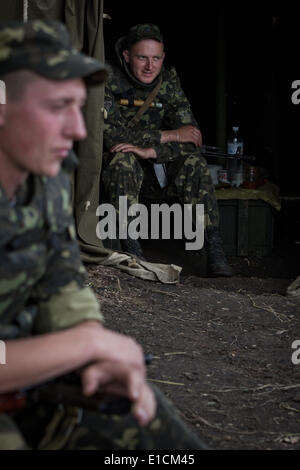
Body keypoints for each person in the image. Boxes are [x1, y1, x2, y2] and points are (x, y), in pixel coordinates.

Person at [0, 20, 207, 450]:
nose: (78, 130)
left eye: (80, 107)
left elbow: (62, 284)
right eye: (58, 106)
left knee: (150, 424)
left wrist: (94, 350)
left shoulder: (48, 179)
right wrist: (84, 345)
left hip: (26, 379)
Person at [103, 23, 233, 277]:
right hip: (116, 176)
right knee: (122, 159)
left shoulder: (168, 83)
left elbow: (191, 137)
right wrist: (167, 135)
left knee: (194, 163)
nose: (150, 66)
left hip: (155, 170)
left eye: (156, 58)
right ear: (127, 56)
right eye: (142, 57)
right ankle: (131, 248)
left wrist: (151, 152)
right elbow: (112, 136)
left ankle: (213, 246)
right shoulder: (107, 79)